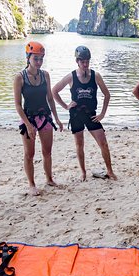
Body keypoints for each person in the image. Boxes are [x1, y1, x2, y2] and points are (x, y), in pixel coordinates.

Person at [52, 45, 117, 181]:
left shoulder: (95, 76)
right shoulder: (71, 77)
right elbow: (54, 91)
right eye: (82, 61)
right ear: (77, 61)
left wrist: (103, 114)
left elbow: (107, 95)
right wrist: (66, 106)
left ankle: (110, 171)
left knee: (103, 143)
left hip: (91, 115)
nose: (85, 64)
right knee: (79, 145)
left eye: (87, 61)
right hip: (76, 116)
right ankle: (83, 172)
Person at [13, 41, 63, 196]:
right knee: (29, 154)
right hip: (28, 118)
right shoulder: (20, 78)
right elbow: (18, 105)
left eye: (41, 58)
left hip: (45, 117)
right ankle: (31, 184)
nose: (39, 62)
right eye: (36, 59)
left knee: (47, 151)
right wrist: (28, 125)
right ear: (28, 58)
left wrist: (57, 118)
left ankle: (49, 178)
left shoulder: (45, 75)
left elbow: (50, 98)